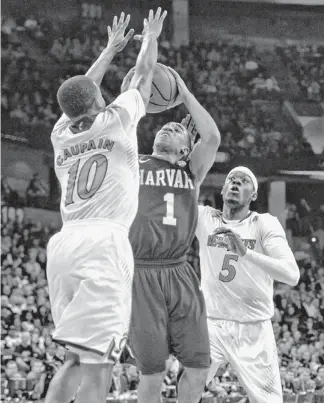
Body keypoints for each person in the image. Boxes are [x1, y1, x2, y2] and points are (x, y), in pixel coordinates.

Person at [44, 9, 167, 403]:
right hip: (104, 243)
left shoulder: (60, 133)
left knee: (74, 359)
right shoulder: (118, 118)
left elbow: (79, 93)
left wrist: (110, 50)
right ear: (99, 99)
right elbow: (145, 71)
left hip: (64, 246)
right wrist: (149, 37)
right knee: (99, 367)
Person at [121, 67, 221, 402]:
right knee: (152, 369)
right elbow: (121, 123)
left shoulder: (190, 171)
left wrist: (183, 92)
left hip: (179, 271)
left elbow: (213, 138)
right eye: (166, 125)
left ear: (184, 149)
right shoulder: (134, 164)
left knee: (198, 366)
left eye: (178, 129)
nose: (170, 127)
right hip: (141, 272)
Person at [196, 166, 300, 403]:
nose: (235, 183)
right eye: (231, 179)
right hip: (211, 324)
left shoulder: (264, 223)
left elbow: (292, 275)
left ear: (253, 195)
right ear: (222, 190)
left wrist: (246, 253)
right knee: (187, 388)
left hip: (253, 329)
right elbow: (178, 194)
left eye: (243, 181)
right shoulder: (205, 218)